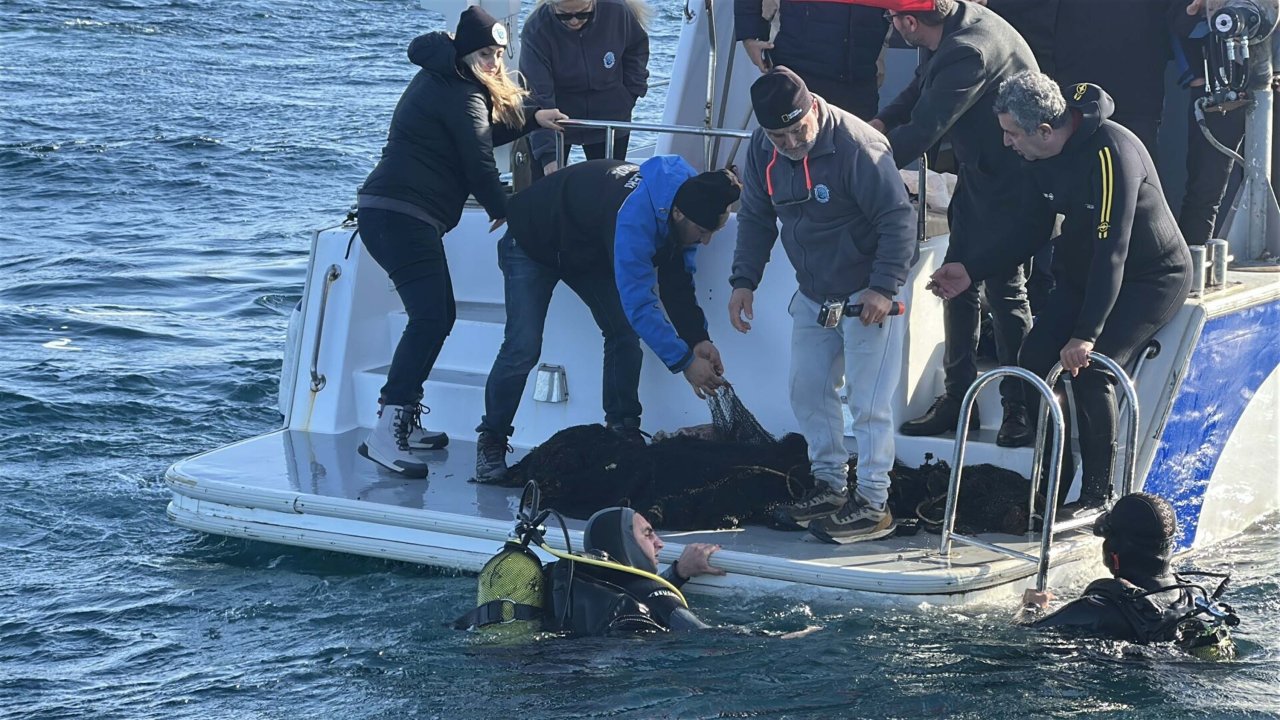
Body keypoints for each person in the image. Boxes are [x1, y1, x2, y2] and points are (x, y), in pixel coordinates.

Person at [929, 72, 1193, 508]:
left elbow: (1115, 250)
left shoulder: (1112, 153)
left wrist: (1086, 335)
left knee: (1092, 371)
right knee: (1033, 360)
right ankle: (1054, 480)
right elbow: (1031, 230)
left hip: (1148, 276)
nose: (1008, 143)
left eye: (1012, 134)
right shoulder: (1037, 157)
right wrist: (971, 269)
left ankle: (1097, 493)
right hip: (1085, 271)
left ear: (1045, 132)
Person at [355, 7, 567, 478]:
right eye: (487, 54)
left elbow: (482, 132)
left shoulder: (447, 78)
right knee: (434, 316)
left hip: (394, 214)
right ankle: (386, 431)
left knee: (434, 315)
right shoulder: (462, 92)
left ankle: (402, 420)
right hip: (400, 216)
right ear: (467, 52)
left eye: (499, 54)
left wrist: (534, 118)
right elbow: (478, 157)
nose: (494, 63)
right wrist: (506, 209)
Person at [730, 67, 918, 543]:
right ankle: (831, 486)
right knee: (807, 389)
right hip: (814, 293)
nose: (792, 142)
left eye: (799, 129)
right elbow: (754, 215)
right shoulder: (761, 149)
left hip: (868, 293)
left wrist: (883, 287)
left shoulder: (859, 147)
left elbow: (899, 219)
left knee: (868, 401)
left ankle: (874, 502)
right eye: (780, 135)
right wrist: (743, 280)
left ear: (814, 107)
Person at [473, 157, 741, 482]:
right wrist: (685, 363)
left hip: (586, 249)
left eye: (713, 231)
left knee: (623, 333)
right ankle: (492, 440)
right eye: (702, 232)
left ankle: (621, 431)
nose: (706, 241)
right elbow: (640, 304)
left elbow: (677, 282)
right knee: (523, 346)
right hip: (531, 241)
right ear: (677, 214)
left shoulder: (690, 200)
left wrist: (698, 339)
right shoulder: (635, 217)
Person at [871, 0, 1039, 448]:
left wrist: (864, 166)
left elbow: (926, 128)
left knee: (1005, 291)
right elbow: (919, 88)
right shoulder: (948, 24)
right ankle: (958, 396)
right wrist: (879, 124)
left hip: (1013, 183)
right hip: (979, 175)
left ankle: (1020, 406)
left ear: (908, 21)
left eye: (891, 17)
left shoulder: (970, 51)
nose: (889, 23)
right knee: (956, 282)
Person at [1018, 493, 1238, 656]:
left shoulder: (1095, 610)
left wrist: (1032, 607)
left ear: (1115, 549)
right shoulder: (1195, 600)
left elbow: (1023, 640)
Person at [520, 0, 650, 176]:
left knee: (608, 190)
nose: (574, 21)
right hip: (557, 118)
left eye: (583, 14)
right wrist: (548, 156)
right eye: (564, 16)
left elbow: (637, 48)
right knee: (546, 188)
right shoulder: (536, 29)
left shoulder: (618, 12)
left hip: (610, 116)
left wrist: (630, 94)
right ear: (551, 6)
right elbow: (537, 95)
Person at [547, 506, 724, 634]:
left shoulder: (575, 584)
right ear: (622, 541)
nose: (659, 543)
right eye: (648, 534)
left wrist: (678, 573)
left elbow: (636, 593)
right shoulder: (652, 593)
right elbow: (703, 634)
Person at [733, 0, 891, 119]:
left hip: (860, 69)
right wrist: (750, 33)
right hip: (798, 63)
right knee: (793, 149)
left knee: (856, 153)